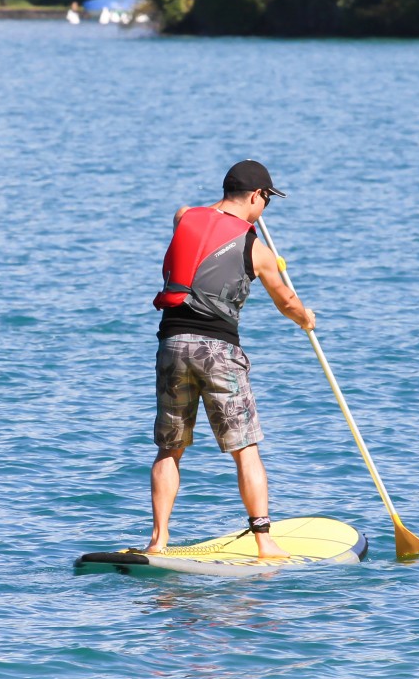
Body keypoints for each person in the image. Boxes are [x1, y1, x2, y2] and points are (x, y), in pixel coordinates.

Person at [146, 160, 316, 558]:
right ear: (257, 196)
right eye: (266, 201)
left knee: (170, 449)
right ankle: (263, 541)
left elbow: (202, 221)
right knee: (246, 448)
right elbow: (286, 302)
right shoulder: (258, 251)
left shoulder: (184, 216)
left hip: (171, 345)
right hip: (218, 351)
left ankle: (158, 540)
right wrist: (306, 318)